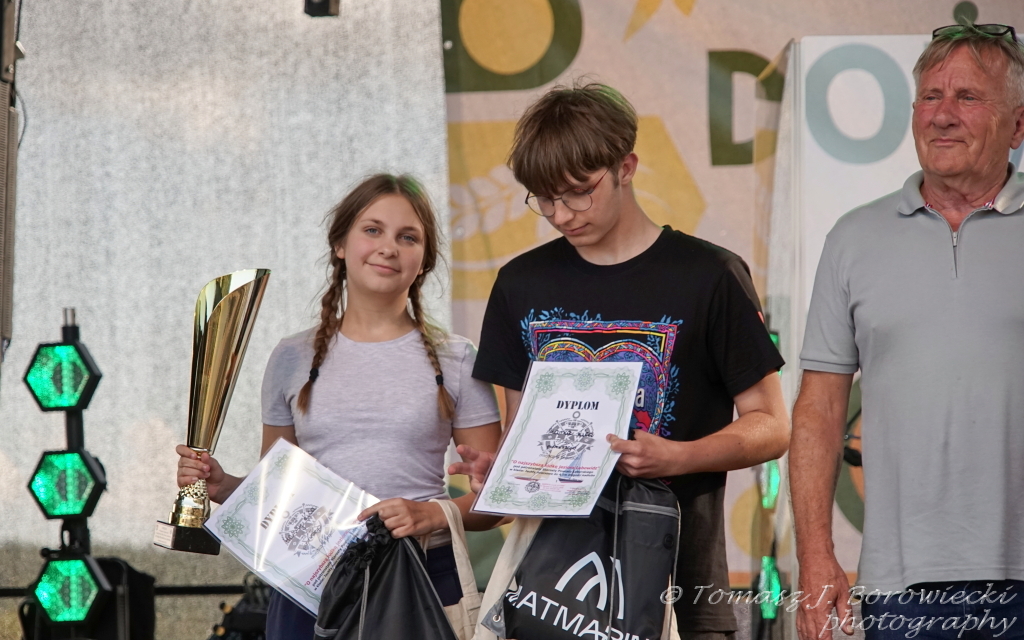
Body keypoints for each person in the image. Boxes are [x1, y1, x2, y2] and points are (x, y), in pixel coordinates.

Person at [449, 82, 790, 638]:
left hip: (679, 591)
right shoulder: (520, 284)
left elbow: (772, 426)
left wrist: (678, 456)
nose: (562, 215)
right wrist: (503, 476)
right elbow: (522, 438)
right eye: (544, 199)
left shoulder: (710, 276)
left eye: (578, 192)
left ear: (625, 167)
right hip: (550, 596)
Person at [175, 174, 502, 639]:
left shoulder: (458, 358)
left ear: (424, 260)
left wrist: (431, 514)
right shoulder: (291, 357)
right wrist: (223, 485)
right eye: (372, 230)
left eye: (407, 237)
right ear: (340, 245)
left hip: (421, 578)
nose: (388, 247)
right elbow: (277, 493)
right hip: (309, 584)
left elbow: (498, 504)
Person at [789, 23, 1024, 640]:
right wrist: (815, 554)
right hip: (902, 586)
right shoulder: (853, 238)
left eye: (967, 97)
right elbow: (819, 410)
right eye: (929, 97)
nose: (942, 115)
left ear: (1018, 126)